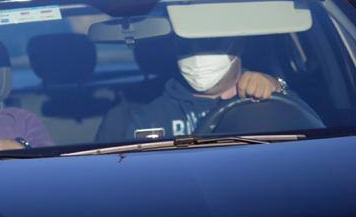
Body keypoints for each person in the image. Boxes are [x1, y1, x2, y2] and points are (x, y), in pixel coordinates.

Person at [120, 38, 289, 140]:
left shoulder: (267, 95)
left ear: (238, 46)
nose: (198, 55)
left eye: (212, 42)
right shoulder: (147, 114)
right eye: (186, 46)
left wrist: (277, 86)